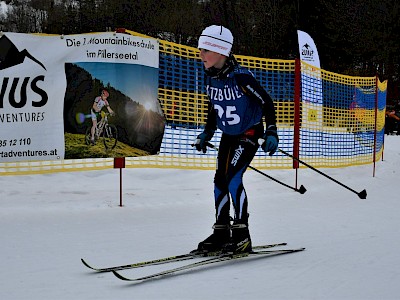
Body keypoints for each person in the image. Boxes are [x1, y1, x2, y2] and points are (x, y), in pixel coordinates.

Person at [193, 25, 279, 254]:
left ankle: (242, 235)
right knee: (219, 180)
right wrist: (207, 133)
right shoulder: (210, 77)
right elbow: (214, 107)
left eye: (205, 50)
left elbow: (267, 102)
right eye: (200, 49)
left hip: (249, 133)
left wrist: (271, 130)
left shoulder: (241, 77)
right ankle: (221, 231)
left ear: (221, 52)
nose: (200, 54)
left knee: (233, 179)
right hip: (228, 135)